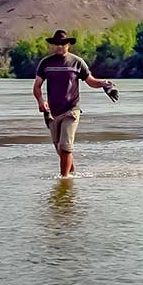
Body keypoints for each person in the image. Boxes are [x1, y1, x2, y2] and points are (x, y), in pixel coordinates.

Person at [33, 29, 119, 177]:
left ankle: (64, 181)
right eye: (57, 44)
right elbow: (37, 86)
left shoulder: (77, 62)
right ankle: (71, 177)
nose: (60, 46)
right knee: (60, 150)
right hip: (53, 112)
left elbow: (91, 81)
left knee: (66, 147)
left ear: (69, 44)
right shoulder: (46, 63)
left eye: (63, 43)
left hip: (71, 110)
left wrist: (106, 84)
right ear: (53, 45)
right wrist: (41, 101)